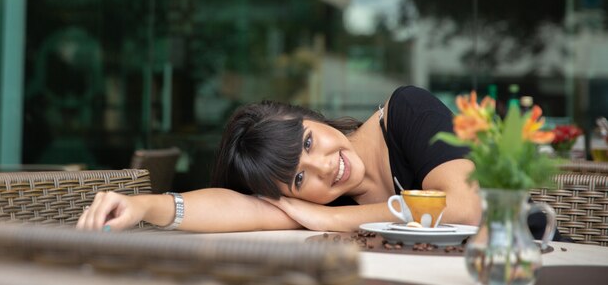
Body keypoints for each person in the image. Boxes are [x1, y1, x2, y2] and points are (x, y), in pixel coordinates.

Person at [77, 85, 482, 233]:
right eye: (300, 181)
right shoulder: (317, 202)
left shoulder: (408, 111)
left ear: (308, 116)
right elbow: (239, 208)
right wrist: (144, 205)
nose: (325, 168)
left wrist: (334, 220)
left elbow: (465, 208)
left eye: (307, 143)